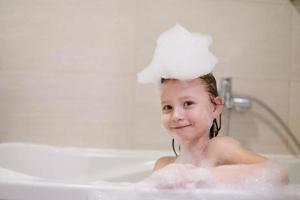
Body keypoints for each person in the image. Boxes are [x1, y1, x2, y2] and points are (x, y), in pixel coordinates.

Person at [137, 24, 289, 189]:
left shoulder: (218, 149)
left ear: (215, 107)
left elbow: (278, 173)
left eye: (188, 103)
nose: (176, 116)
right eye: (167, 107)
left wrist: (198, 177)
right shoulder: (164, 165)